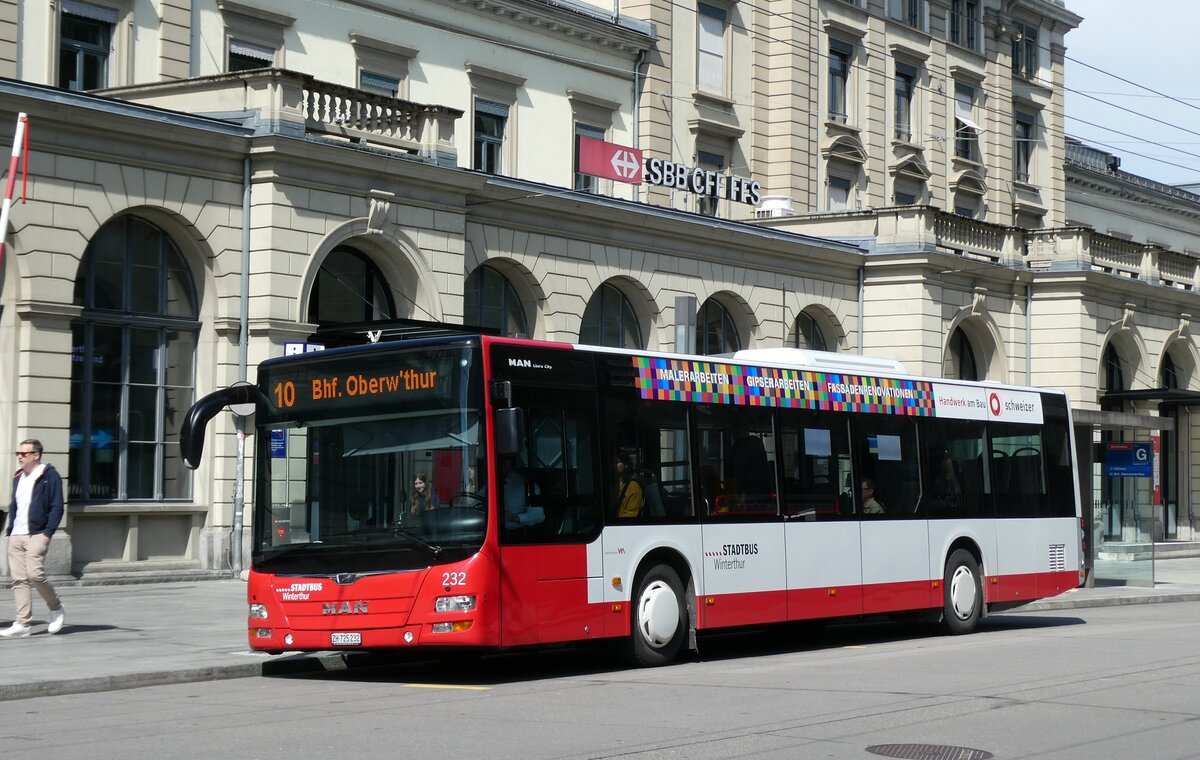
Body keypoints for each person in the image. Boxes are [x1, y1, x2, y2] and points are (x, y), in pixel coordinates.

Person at [2, 439, 65, 638]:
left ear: (36, 455)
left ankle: (56, 607)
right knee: (19, 580)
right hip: (17, 534)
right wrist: (11, 531)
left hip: (37, 533)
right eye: (18, 453)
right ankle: (23, 623)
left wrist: (48, 533)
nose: (20, 457)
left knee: (34, 575)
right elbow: (15, 505)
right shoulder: (18, 476)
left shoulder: (49, 475)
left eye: (24, 454)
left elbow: (57, 506)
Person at [502, 456, 543, 528]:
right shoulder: (490, 484)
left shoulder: (525, 485)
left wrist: (514, 517)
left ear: (508, 463)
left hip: (514, 531)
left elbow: (538, 515)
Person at [614, 452, 645, 518]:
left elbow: (631, 514)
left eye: (617, 462)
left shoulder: (633, 486)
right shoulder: (614, 484)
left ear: (626, 465)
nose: (614, 465)